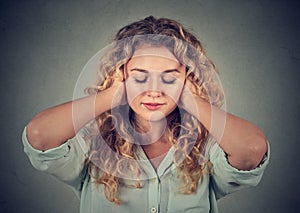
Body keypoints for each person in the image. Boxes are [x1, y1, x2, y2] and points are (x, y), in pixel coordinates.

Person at [22, 16, 270, 213]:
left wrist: (191, 100)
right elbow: (40, 135)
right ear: (121, 76)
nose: (154, 91)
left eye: (169, 78)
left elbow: (251, 149)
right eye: (140, 77)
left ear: (189, 79)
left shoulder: (207, 146)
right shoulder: (94, 144)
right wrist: (112, 95)